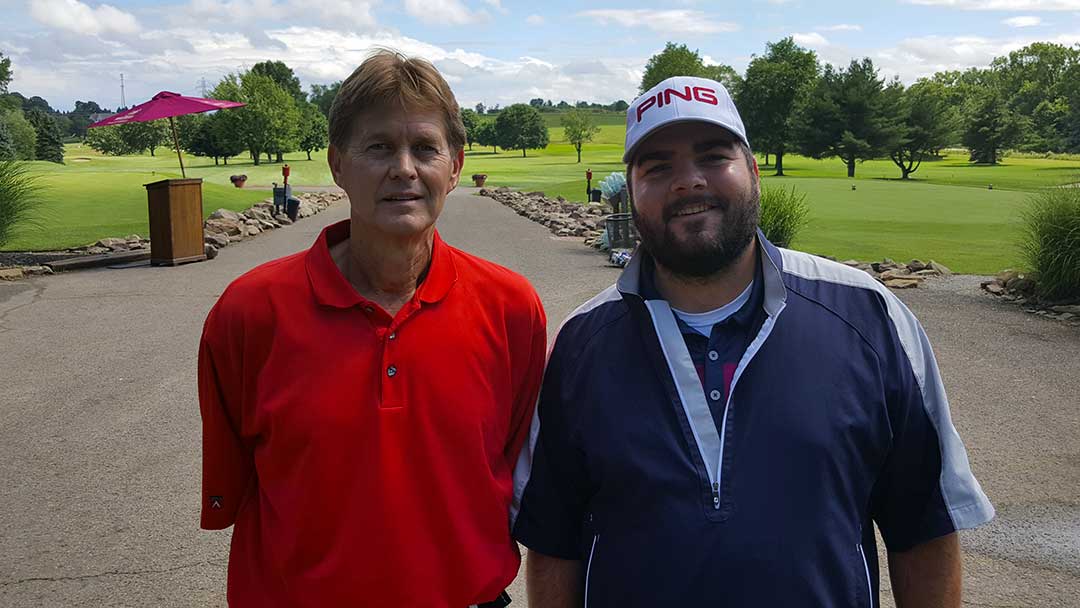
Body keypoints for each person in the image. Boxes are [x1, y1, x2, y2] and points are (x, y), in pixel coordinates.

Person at [512, 76, 994, 607]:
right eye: (657, 167)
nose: (687, 181)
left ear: (754, 172)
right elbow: (555, 544)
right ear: (632, 191)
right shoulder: (583, 341)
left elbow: (922, 527)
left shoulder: (868, 315)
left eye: (713, 156)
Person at [198, 50, 546, 607]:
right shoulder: (251, 312)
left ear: (454, 166)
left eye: (425, 148)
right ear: (338, 164)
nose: (404, 168)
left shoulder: (512, 308)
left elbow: (506, 465)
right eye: (379, 146)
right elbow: (241, 484)